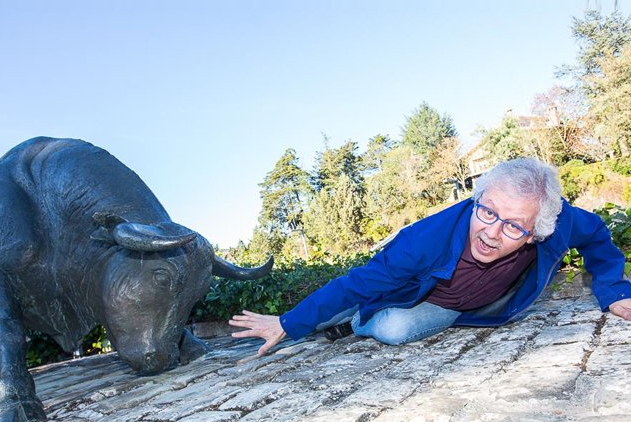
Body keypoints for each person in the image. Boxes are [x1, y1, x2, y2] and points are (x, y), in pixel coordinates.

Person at [230, 158, 631, 355]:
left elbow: (596, 235)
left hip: (460, 304)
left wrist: (613, 290)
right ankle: (345, 315)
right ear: (477, 200)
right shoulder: (422, 242)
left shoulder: (555, 221)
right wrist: (287, 323)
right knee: (371, 304)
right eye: (487, 212)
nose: (491, 232)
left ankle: (356, 319)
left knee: (391, 328)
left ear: (536, 232)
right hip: (410, 284)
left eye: (512, 226)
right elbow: (357, 280)